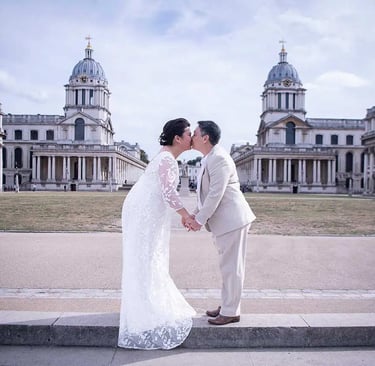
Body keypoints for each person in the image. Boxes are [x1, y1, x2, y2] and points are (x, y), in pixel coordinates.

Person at [118, 118, 196, 350]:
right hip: (146, 212)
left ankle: (142, 300)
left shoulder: (163, 157)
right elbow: (169, 193)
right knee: (149, 256)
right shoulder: (167, 160)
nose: (192, 137)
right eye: (189, 133)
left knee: (146, 256)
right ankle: (146, 305)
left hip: (143, 209)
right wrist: (185, 215)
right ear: (178, 138)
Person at [184, 120, 256, 325]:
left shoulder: (219, 159)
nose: (192, 137)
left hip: (232, 220)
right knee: (227, 266)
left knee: (232, 267)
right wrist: (193, 215)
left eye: (195, 134)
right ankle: (227, 306)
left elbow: (216, 194)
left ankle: (231, 310)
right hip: (226, 221)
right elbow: (206, 195)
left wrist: (198, 220)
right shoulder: (210, 158)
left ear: (205, 138)